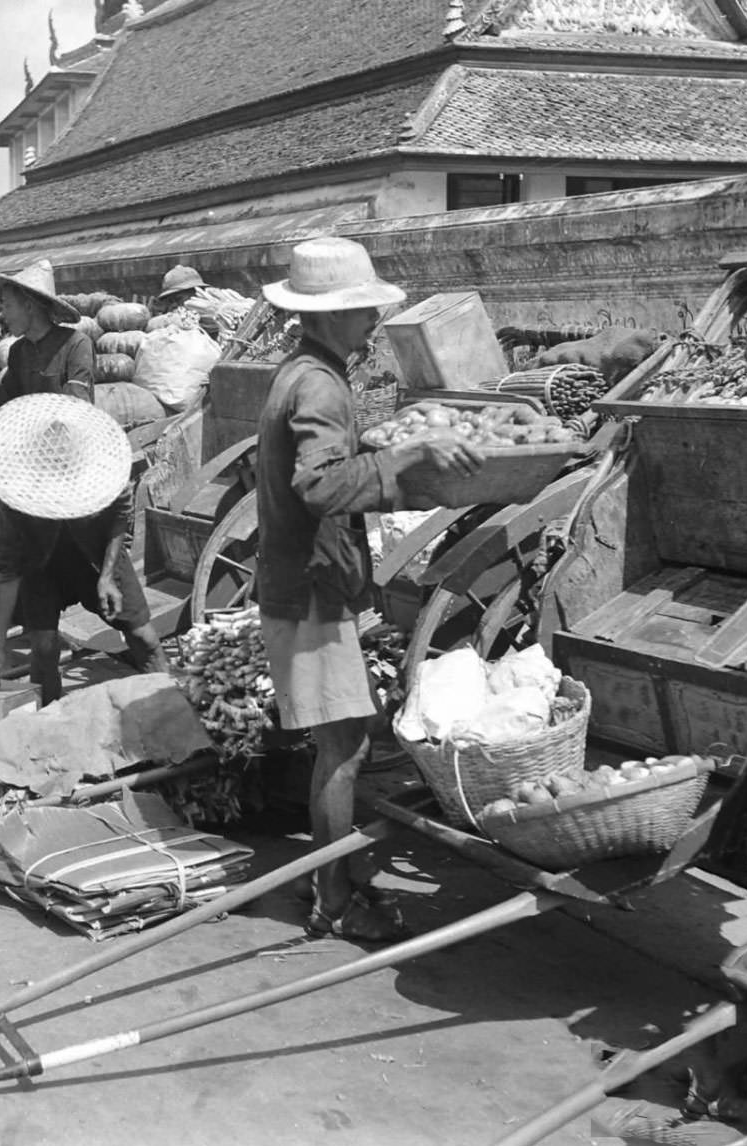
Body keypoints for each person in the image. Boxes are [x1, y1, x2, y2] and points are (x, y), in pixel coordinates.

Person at [256, 236, 484, 942]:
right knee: (345, 748)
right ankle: (332, 896)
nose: (371, 324)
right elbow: (318, 485)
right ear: (326, 316)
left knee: (341, 740)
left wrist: (374, 449)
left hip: (305, 579)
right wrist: (408, 453)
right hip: (314, 587)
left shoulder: (302, 371)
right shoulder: (319, 383)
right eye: (360, 311)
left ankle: (338, 876)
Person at [0, 393, 168, 706]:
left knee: (144, 637)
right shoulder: (8, 496)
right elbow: (5, 571)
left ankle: (169, 713)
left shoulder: (106, 467)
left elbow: (121, 516)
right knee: (44, 647)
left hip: (93, 550)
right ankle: (50, 720)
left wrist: (106, 576)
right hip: (37, 561)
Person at [0, 259, 93, 406]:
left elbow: (78, 409)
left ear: (29, 307)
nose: (2, 314)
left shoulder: (76, 344)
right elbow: (10, 409)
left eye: (7, 305)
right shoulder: (18, 351)